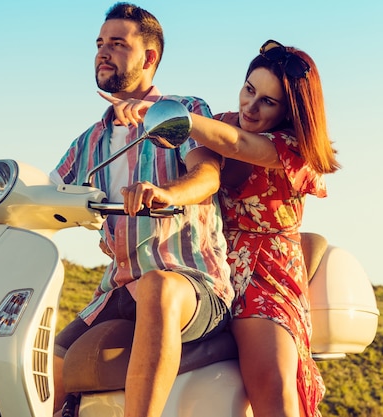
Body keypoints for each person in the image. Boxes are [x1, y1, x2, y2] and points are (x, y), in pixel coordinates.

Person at [0, 4, 233, 417]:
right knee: (39, 368)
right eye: (99, 44)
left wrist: (166, 193)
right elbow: (36, 198)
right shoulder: (88, 143)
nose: (103, 52)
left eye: (118, 44)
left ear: (149, 58)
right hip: (119, 288)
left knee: (161, 286)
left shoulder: (182, 112)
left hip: (192, 283)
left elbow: (207, 177)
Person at [101, 39, 340, 417]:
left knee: (273, 388)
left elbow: (238, 144)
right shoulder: (223, 121)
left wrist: (175, 116)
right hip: (207, 260)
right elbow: (187, 168)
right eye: (249, 90)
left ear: (290, 110)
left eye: (268, 102)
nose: (251, 106)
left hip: (265, 273)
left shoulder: (290, 147)